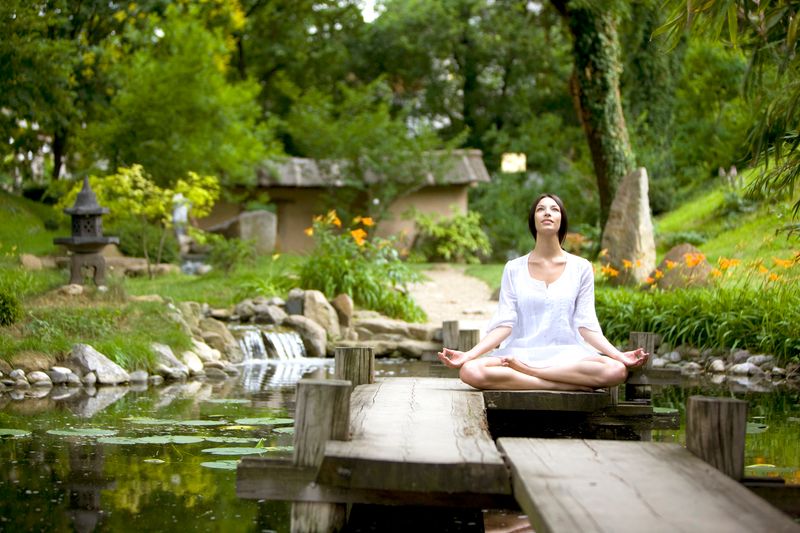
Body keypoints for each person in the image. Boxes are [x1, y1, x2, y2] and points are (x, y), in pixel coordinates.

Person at [437, 193, 648, 391]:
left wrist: (619, 355)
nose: (547, 212)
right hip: (520, 353)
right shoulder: (514, 268)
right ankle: (558, 385)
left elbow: (586, 325)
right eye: (541, 209)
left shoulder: (581, 267)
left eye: (554, 209)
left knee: (617, 370)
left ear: (561, 220)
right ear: (534, 220)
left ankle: (532, 374)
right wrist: (468, 355)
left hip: (567, 354)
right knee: (470, 371)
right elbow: (504, 323)